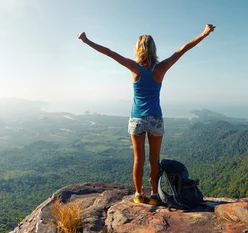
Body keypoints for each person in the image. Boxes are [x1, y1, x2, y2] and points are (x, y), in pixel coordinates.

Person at [77, 24, 215, 204]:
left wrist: (86, 41)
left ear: (138, 48)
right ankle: (155, 196)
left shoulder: (134, 68)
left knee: (138, 159)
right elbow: (183, 49)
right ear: (154, 49)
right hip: (155, 118)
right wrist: (204, 33)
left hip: (137, 119)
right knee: (154, 159)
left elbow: (110, 53)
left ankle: (138, 194)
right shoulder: (162, 67)